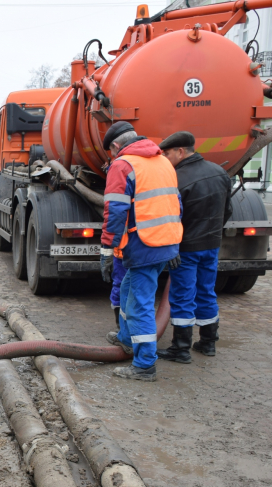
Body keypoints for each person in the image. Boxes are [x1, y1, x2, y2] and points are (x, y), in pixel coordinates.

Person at [100, 121, 183, 382]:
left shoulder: (123, 165)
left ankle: (145, 365)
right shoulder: (162, 162)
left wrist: (106, 249)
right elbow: (175, 204)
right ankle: (126, 338)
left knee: (139, 305)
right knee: (127, 290)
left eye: (111, 152)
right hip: (164, 242)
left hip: (144, 245)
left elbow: (114, 211)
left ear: (115, 146)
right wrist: (174, 244)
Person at [156, 131, 232, 361]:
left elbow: (171, 218)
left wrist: (169, 247)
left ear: (181, 151)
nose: (165, 159)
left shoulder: (176, 178)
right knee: (207, 292)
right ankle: (208, 343)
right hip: (212, 245)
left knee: (182, 295)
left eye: (167, 154)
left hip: (186, 248)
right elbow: (227, 210)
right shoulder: (219, 172)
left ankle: (180, 349)